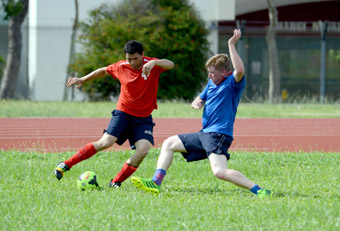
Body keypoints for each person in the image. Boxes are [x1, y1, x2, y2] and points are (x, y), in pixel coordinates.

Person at [131, 29, 273, 198]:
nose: (209, 75)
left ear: (224, 72)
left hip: (217, 135)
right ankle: (156, 182)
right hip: (205, 134)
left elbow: (240, 69)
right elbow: (201, 97)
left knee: (220, 172)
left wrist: (231, 44)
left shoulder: (232, 84)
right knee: (169, 143)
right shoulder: (211, 83)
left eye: (212, 72)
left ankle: (259, 190)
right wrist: (197, 101)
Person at [54, 40, 174, 188]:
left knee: (143, 151)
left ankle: (115, 182)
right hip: (123, 113)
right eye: (128, 59)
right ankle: (66, 164)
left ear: (142, 55)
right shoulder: (121, 66)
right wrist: (83, 79)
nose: (131, 62)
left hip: (143, 118)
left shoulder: (152, 64)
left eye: (135, 58)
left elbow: (170, 64)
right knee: (105, 143)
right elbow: (103, 70)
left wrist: (155, 63)